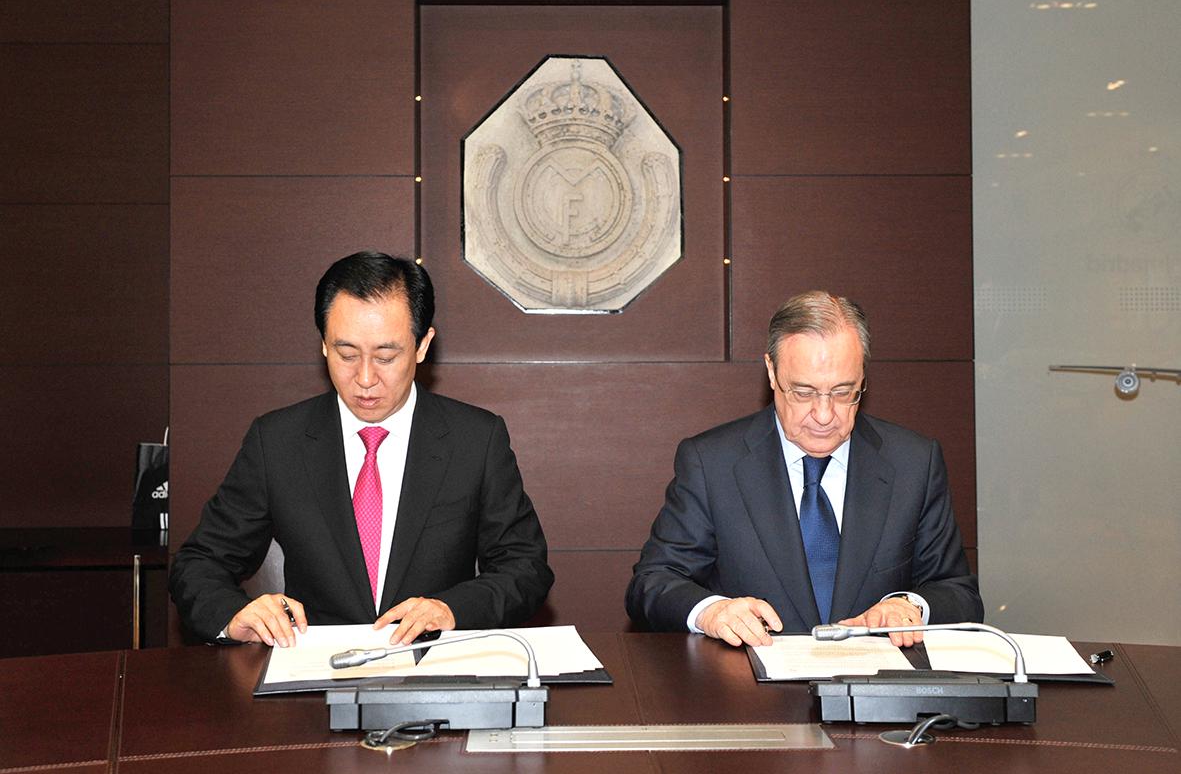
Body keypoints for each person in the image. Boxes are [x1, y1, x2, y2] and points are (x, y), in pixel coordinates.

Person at [170, 252, 553, 647]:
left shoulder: (475, 439)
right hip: (316, 669)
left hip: (434, 666)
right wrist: (234, 616)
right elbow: (199, 563)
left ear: (423, 346)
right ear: (324, 344)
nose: (365, 378)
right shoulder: (278, 441)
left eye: (386, 356)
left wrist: (452, 610)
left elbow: (524, 568)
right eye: (347, 354)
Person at [626, 291, 982, 648]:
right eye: (803, 392)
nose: (824, 415)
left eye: (843, 392)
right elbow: (654, 581)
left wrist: (909, 605)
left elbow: (958, 593)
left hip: (876, 680)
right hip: (748, 679)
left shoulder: (913, 462)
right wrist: (712, 612)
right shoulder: (712, 463)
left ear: (862, 377)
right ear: (771, 372)